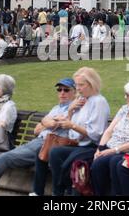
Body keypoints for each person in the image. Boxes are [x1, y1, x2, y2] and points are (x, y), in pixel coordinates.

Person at [0, 78, 77, 196]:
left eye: (66, 90)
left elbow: (55, 124)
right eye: (59, 90)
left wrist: (47, 122)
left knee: (2, 158)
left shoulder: (74, 109)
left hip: (49, 144)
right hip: (38, 142)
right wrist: (47, 122)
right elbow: (36, 130)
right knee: (2, 158)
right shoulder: (56, 108)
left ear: (74, 92)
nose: (62, 93)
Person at [35, 67, 110, 196]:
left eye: (81, 85)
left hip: (92, 147)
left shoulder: (99, 102)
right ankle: (57, 192)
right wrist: (70, 111)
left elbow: (96, 133)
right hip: (78, 144)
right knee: (52, 152)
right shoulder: (82, 100)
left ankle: (63, 190)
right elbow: (70, 132)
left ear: (92, 84)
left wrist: (72, 125)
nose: (78, 88)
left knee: (63, 157)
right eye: (76, 85)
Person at [90, 80, 129, 196]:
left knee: (113, 162)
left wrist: (114, 150)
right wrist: (100, 149)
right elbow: (109, 131)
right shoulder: (125, 109)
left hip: (126, 151)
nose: (125, 97)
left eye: (128, 95)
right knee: (96, 164)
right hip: (110, 148)